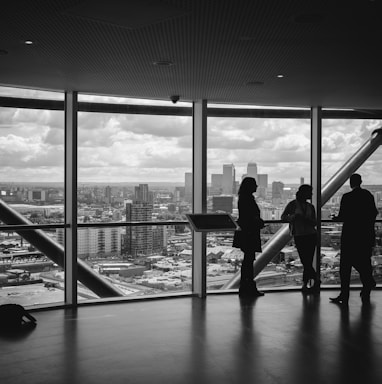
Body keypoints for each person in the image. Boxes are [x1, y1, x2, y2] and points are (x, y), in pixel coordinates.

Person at [330, 173, 378, 305]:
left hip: (350, 235)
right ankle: (367, 285)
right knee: (364, 261)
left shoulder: (347, 197)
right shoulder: (368, 195)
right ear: (361, 181)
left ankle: (344, 294)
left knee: (345, 266)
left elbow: (342, 216)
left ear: (351, 183)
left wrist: (336, 218)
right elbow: (374, 213)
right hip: (365, 235)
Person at [281, 184, 318, 293]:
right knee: (306, 261)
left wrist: (303, 219)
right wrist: (293, 217)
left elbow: (314, 222)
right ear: (304, 193)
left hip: (308, 235)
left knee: (307, 261)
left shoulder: (310, 207)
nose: (311, 194)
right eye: (310, 192)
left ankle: (305, 284)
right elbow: (283, 217)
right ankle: (313, 280)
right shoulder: (293, 205)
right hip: (302, 235)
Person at [232, 177, 265, 297]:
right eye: (254, 185)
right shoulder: (248, 199)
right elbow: (251, 216)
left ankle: (245, 287)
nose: (256, 187)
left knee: (248, 261)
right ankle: (248, 286)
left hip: (246, 232)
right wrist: (258, 222)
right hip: (250, 233)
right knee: (249, 261)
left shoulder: (243, 198)